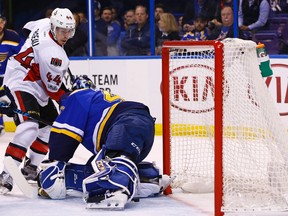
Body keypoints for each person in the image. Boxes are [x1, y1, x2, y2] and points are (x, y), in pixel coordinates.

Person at [37, 76, 170, 208]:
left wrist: (55, 163)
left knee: (114, 160)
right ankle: (148, 178)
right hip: (140, 129)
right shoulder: (100, 100)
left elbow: (64, 137)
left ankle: (114, 187)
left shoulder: (77, 97)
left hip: (126, 124)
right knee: (98, 165)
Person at [0, 8, 75, 195]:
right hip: (21, 81)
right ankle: (6, 175)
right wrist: (72, 97)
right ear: (53, 26)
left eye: (69, 30)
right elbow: (53, 90)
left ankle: (30, 168)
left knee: (51, 128)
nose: (65, 35)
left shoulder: (42, 23)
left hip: (36, 84)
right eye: (62, 30)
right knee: (29, 128)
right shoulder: (56, 57)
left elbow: (26, 29)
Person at [0, 14, 24, 135]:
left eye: (1, 22)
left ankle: (23, 124)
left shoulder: (12, 36)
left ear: (4, 23)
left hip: (8, 76)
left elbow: (23, 53)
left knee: (15, 101)